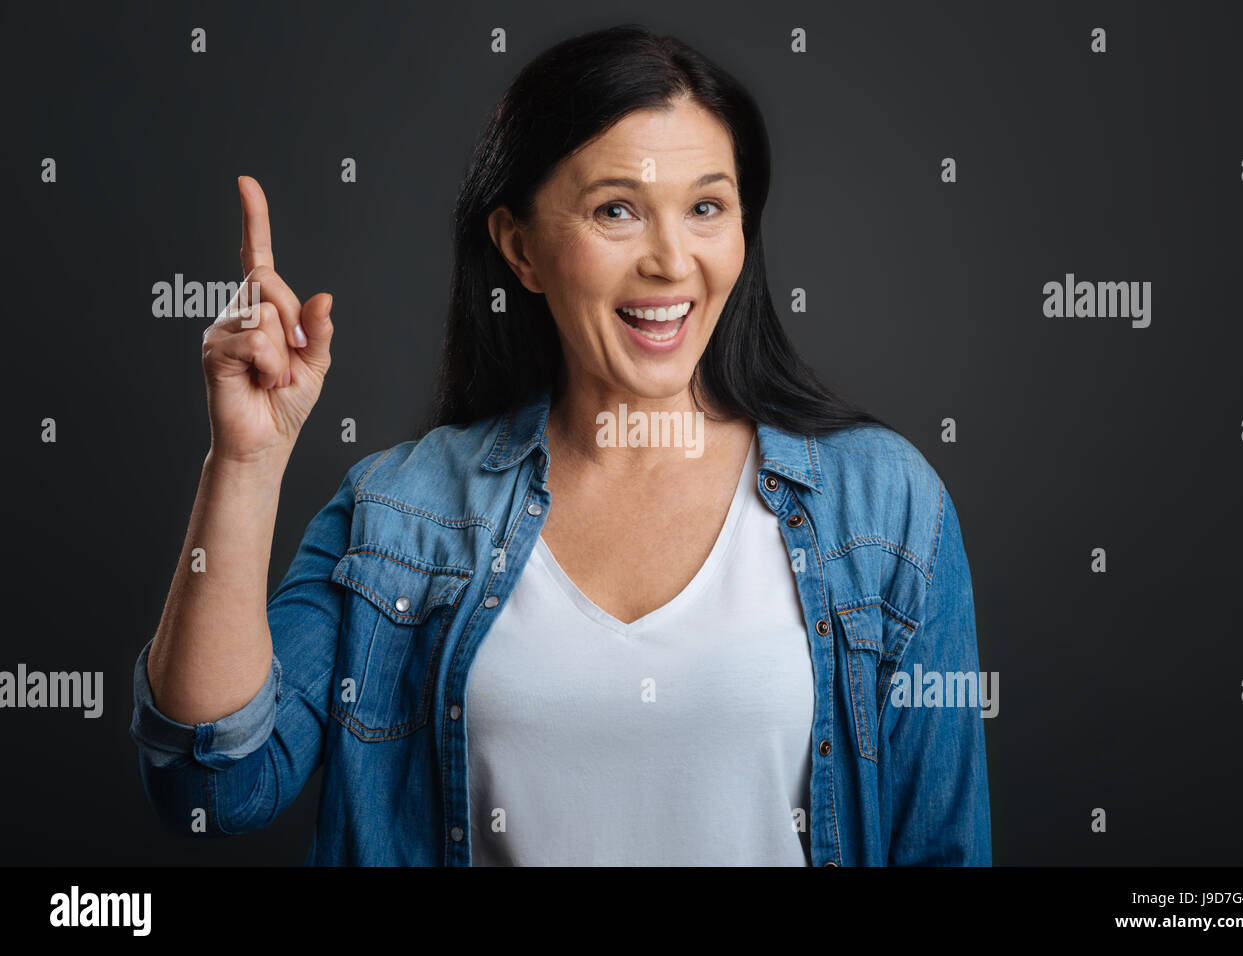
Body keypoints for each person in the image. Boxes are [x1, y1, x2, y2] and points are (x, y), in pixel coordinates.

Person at [129, 23, 991, 866]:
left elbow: (942, 851)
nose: (671, 260)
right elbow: (212, 791)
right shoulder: (399, 513)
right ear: (522, 249)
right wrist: (243, 462)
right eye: (616, 209)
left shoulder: (885, 506)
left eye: (706, 207)